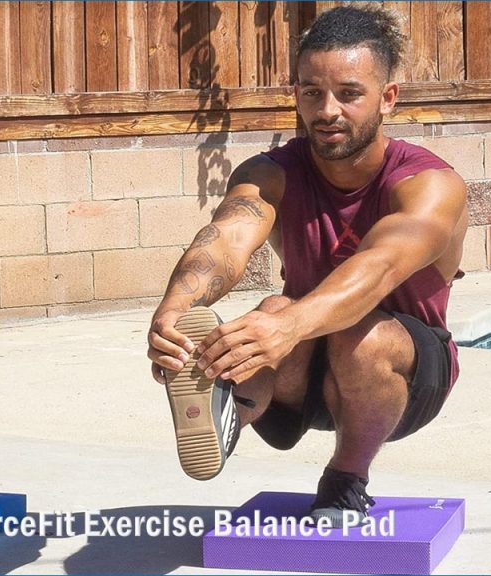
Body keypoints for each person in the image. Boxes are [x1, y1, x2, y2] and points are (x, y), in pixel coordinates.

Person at [147, 5, 468, 527]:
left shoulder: (430, 185)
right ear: (294, 93)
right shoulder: (270, 173)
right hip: (302, 371)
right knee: (273, 307)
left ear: (388, 97)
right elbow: (226, 238)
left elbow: (379, 268)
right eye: (312, 92)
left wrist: (288, 325)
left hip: (405, 378)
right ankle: (231, 406)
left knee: (346, 330)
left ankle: (345, 479)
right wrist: (175, 310)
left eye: (349, 93)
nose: (327, 110)